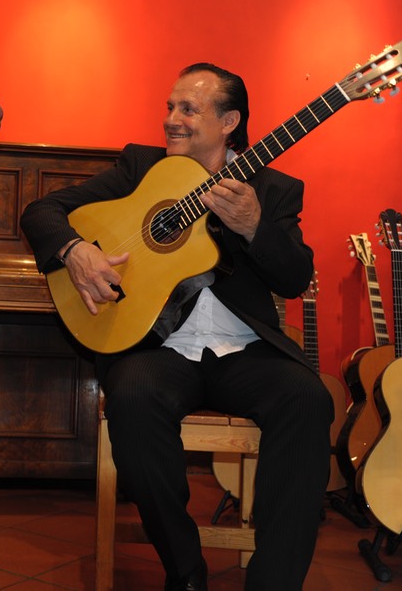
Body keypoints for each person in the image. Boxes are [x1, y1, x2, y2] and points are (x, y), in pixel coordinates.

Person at [20, 63, 333, 591]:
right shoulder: (141, 166)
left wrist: (255, 226)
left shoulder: (274, 189)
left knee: (308, 399)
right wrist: (74, 250)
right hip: (155, 346)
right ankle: (185, 572)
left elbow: (295, 278)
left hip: (244, 350)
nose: (171, 120)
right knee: (133, 400)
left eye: (188, 109)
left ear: (229, 121)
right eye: (170, 107)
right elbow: (41, 210)